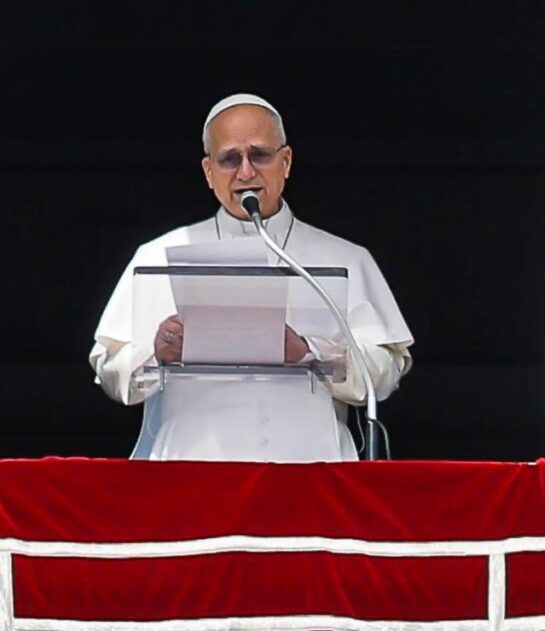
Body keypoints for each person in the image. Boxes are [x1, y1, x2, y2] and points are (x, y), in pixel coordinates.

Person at [89, 93, 413, 462]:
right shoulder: (156, 256)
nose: (246, 172)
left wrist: (310, 353)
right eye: (229, 159)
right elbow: (109, 369)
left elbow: (385, 374)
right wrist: (155, 354)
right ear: (208, 172)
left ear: (286, 161)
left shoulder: (345, 258)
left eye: (259, 155)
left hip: (311, 468)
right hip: (191, 469)